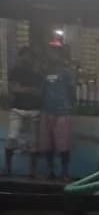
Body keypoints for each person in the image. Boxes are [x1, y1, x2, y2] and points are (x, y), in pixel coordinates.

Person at [39, 43, 75, 180]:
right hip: (47, 111)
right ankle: (50, 171)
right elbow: (42, 90)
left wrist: (70, 106)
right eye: (50, 52)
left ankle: (65, 172)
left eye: (55, 52)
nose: (52, 54)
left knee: (64, 144)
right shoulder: (45, 71)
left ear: (60, 54)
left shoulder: (67, 72)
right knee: (48, 144)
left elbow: (71, 91)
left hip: (63, 112)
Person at [5, 47, 41, 177]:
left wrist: (23, 89)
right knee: (12, 138)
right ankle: (8, 169)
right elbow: (14, 89)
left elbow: (39, 91)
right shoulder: (15, 71)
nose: (27, 59)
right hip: (17, 109)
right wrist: (29, 90)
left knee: (33, 142)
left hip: (33, 109)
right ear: (20, 57)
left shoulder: (37, 73)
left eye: (29, 56)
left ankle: (32, 172)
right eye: (25, 56)